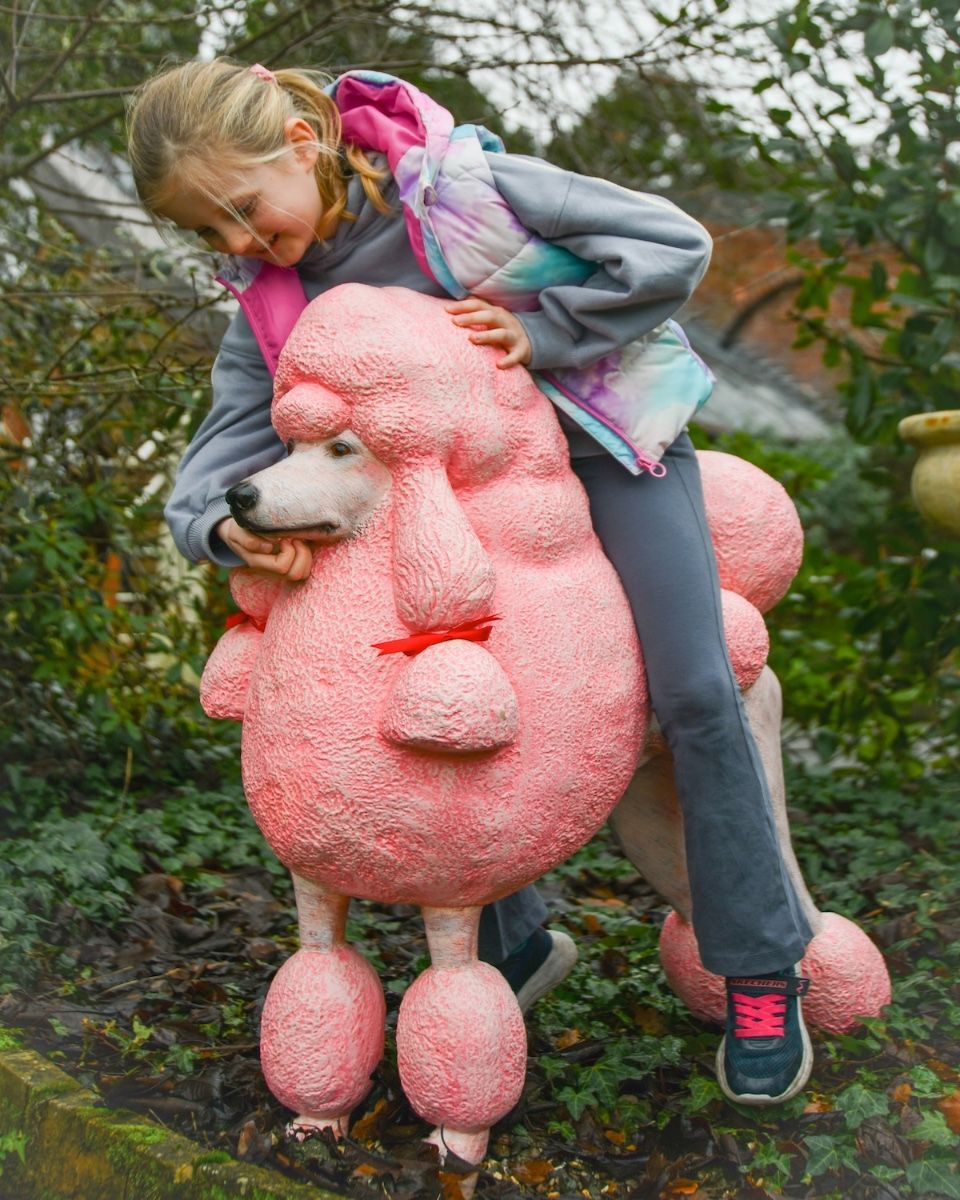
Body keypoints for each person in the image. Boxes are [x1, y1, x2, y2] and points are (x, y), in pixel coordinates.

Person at [126, 57, 814, 1106]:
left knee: (693, 688)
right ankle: (518, 943)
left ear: (302, 147)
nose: (236, 246)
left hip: (600, 454)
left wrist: (547, 335)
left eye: (243, 212)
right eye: (208, 234)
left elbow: (669, 244)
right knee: (437, 711)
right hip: (446, 523)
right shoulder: (269, 302)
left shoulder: (460, 189)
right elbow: (213, 464)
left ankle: (761, 966)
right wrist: (222, 526)